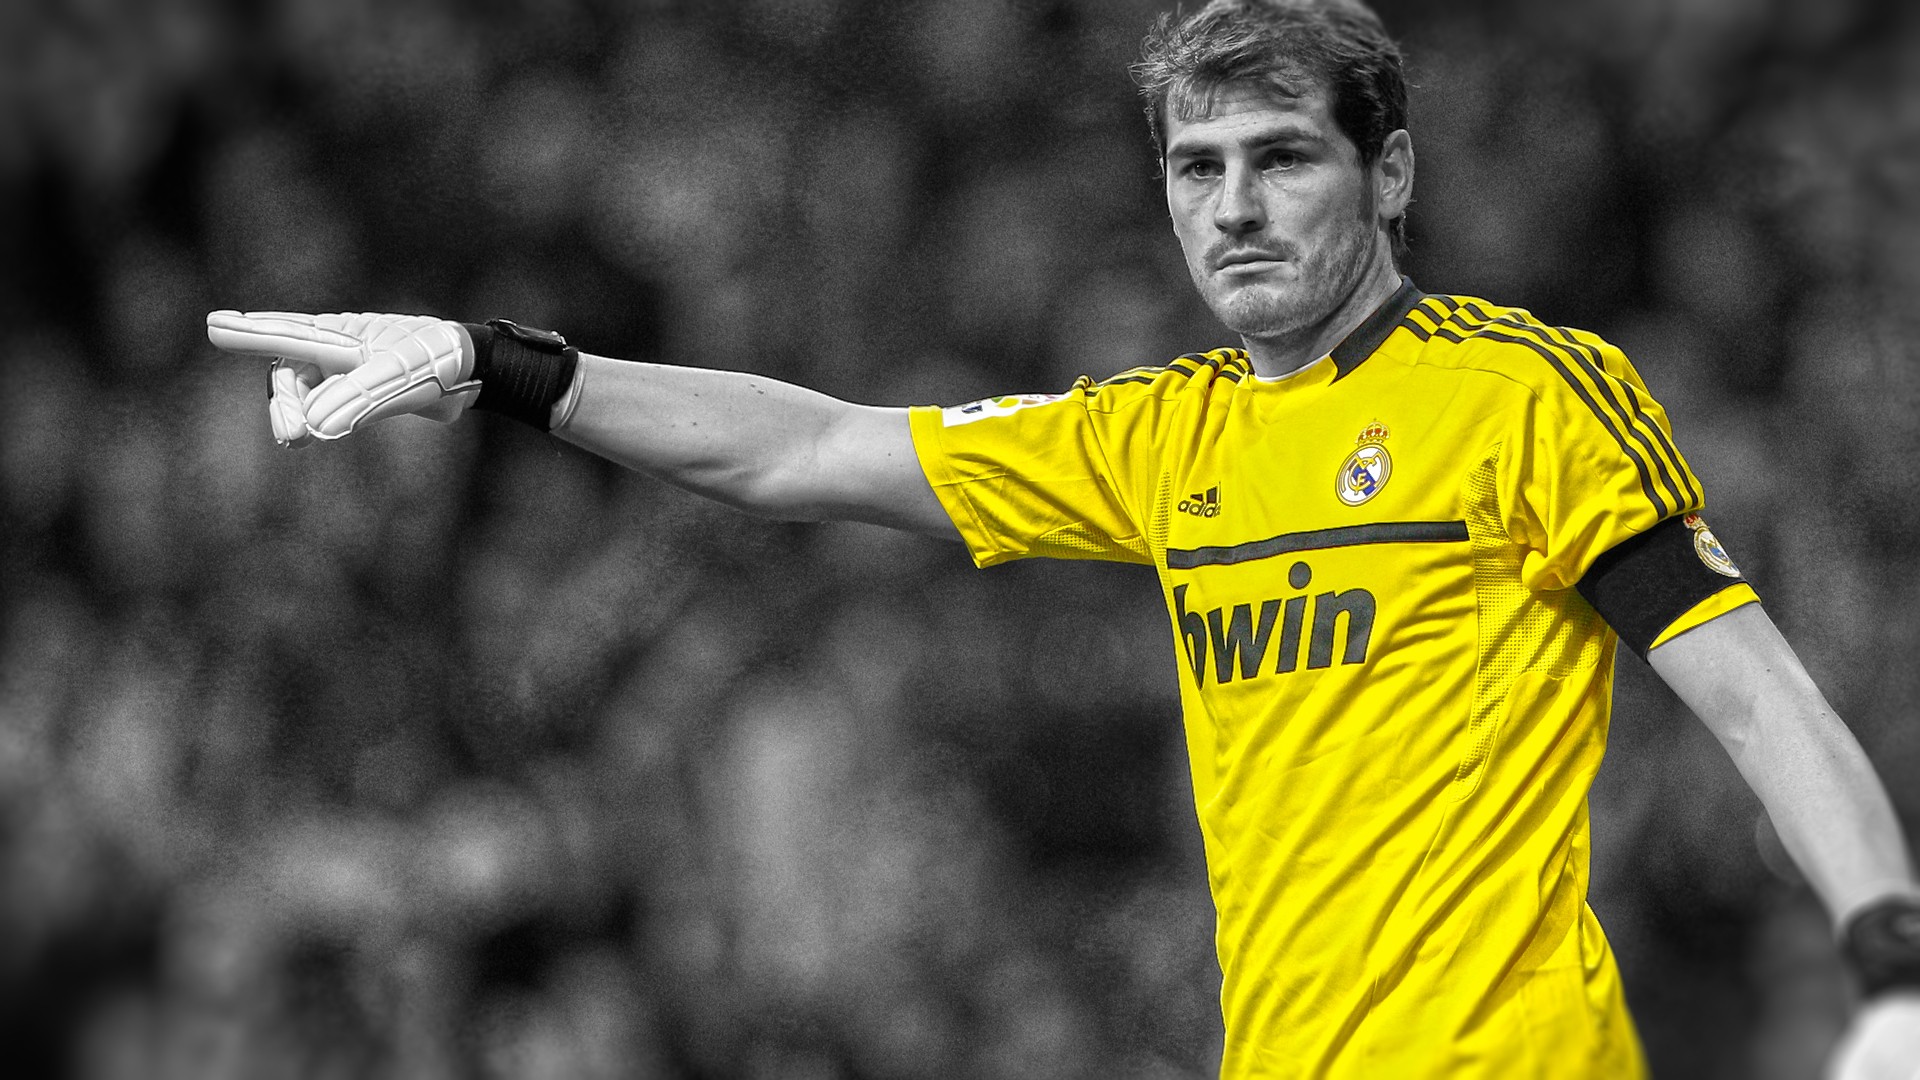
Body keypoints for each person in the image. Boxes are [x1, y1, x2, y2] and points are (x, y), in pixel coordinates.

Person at [206, 1, 1920, 1076]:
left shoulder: (1524, 396)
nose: (1232, 209)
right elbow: (810, 446)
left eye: (1282, 159)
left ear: (1391, 176)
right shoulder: (1165, 434)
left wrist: (1890, 965)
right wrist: (499, 366)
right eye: (1194, 167)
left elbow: (1757, 697)